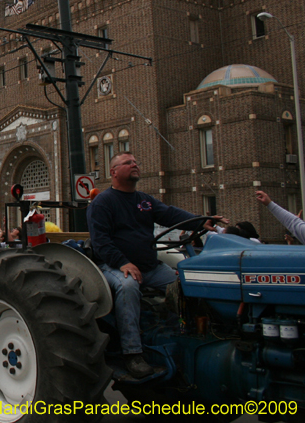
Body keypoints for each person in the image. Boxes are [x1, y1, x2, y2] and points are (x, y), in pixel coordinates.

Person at [87, 152, 227, 379]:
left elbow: (170, 214)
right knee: (128, 287)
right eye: (128, 163)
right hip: (113, 267)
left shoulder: (144, 200)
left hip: (149, 267)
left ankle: (180, 332)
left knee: (183, 284)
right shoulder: (102, 203)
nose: (135, 165)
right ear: (113, 172)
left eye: (136, 161)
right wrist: (123, 262)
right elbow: (101, 241)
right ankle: (132, 352)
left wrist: (201, 220)